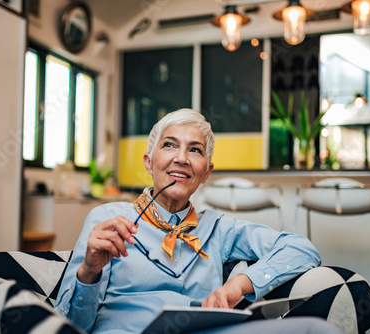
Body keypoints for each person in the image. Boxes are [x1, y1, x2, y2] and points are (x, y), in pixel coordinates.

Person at [55, 109, 341, 334]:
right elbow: (71, 326)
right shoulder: (107, 219)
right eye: (170, 145)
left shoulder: (219, 229)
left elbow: (301, 249)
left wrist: (238, 285)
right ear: (148, 162)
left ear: (206, 172)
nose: (182, 158)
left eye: (195, 150)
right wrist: (89, 272)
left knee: (316, 329)